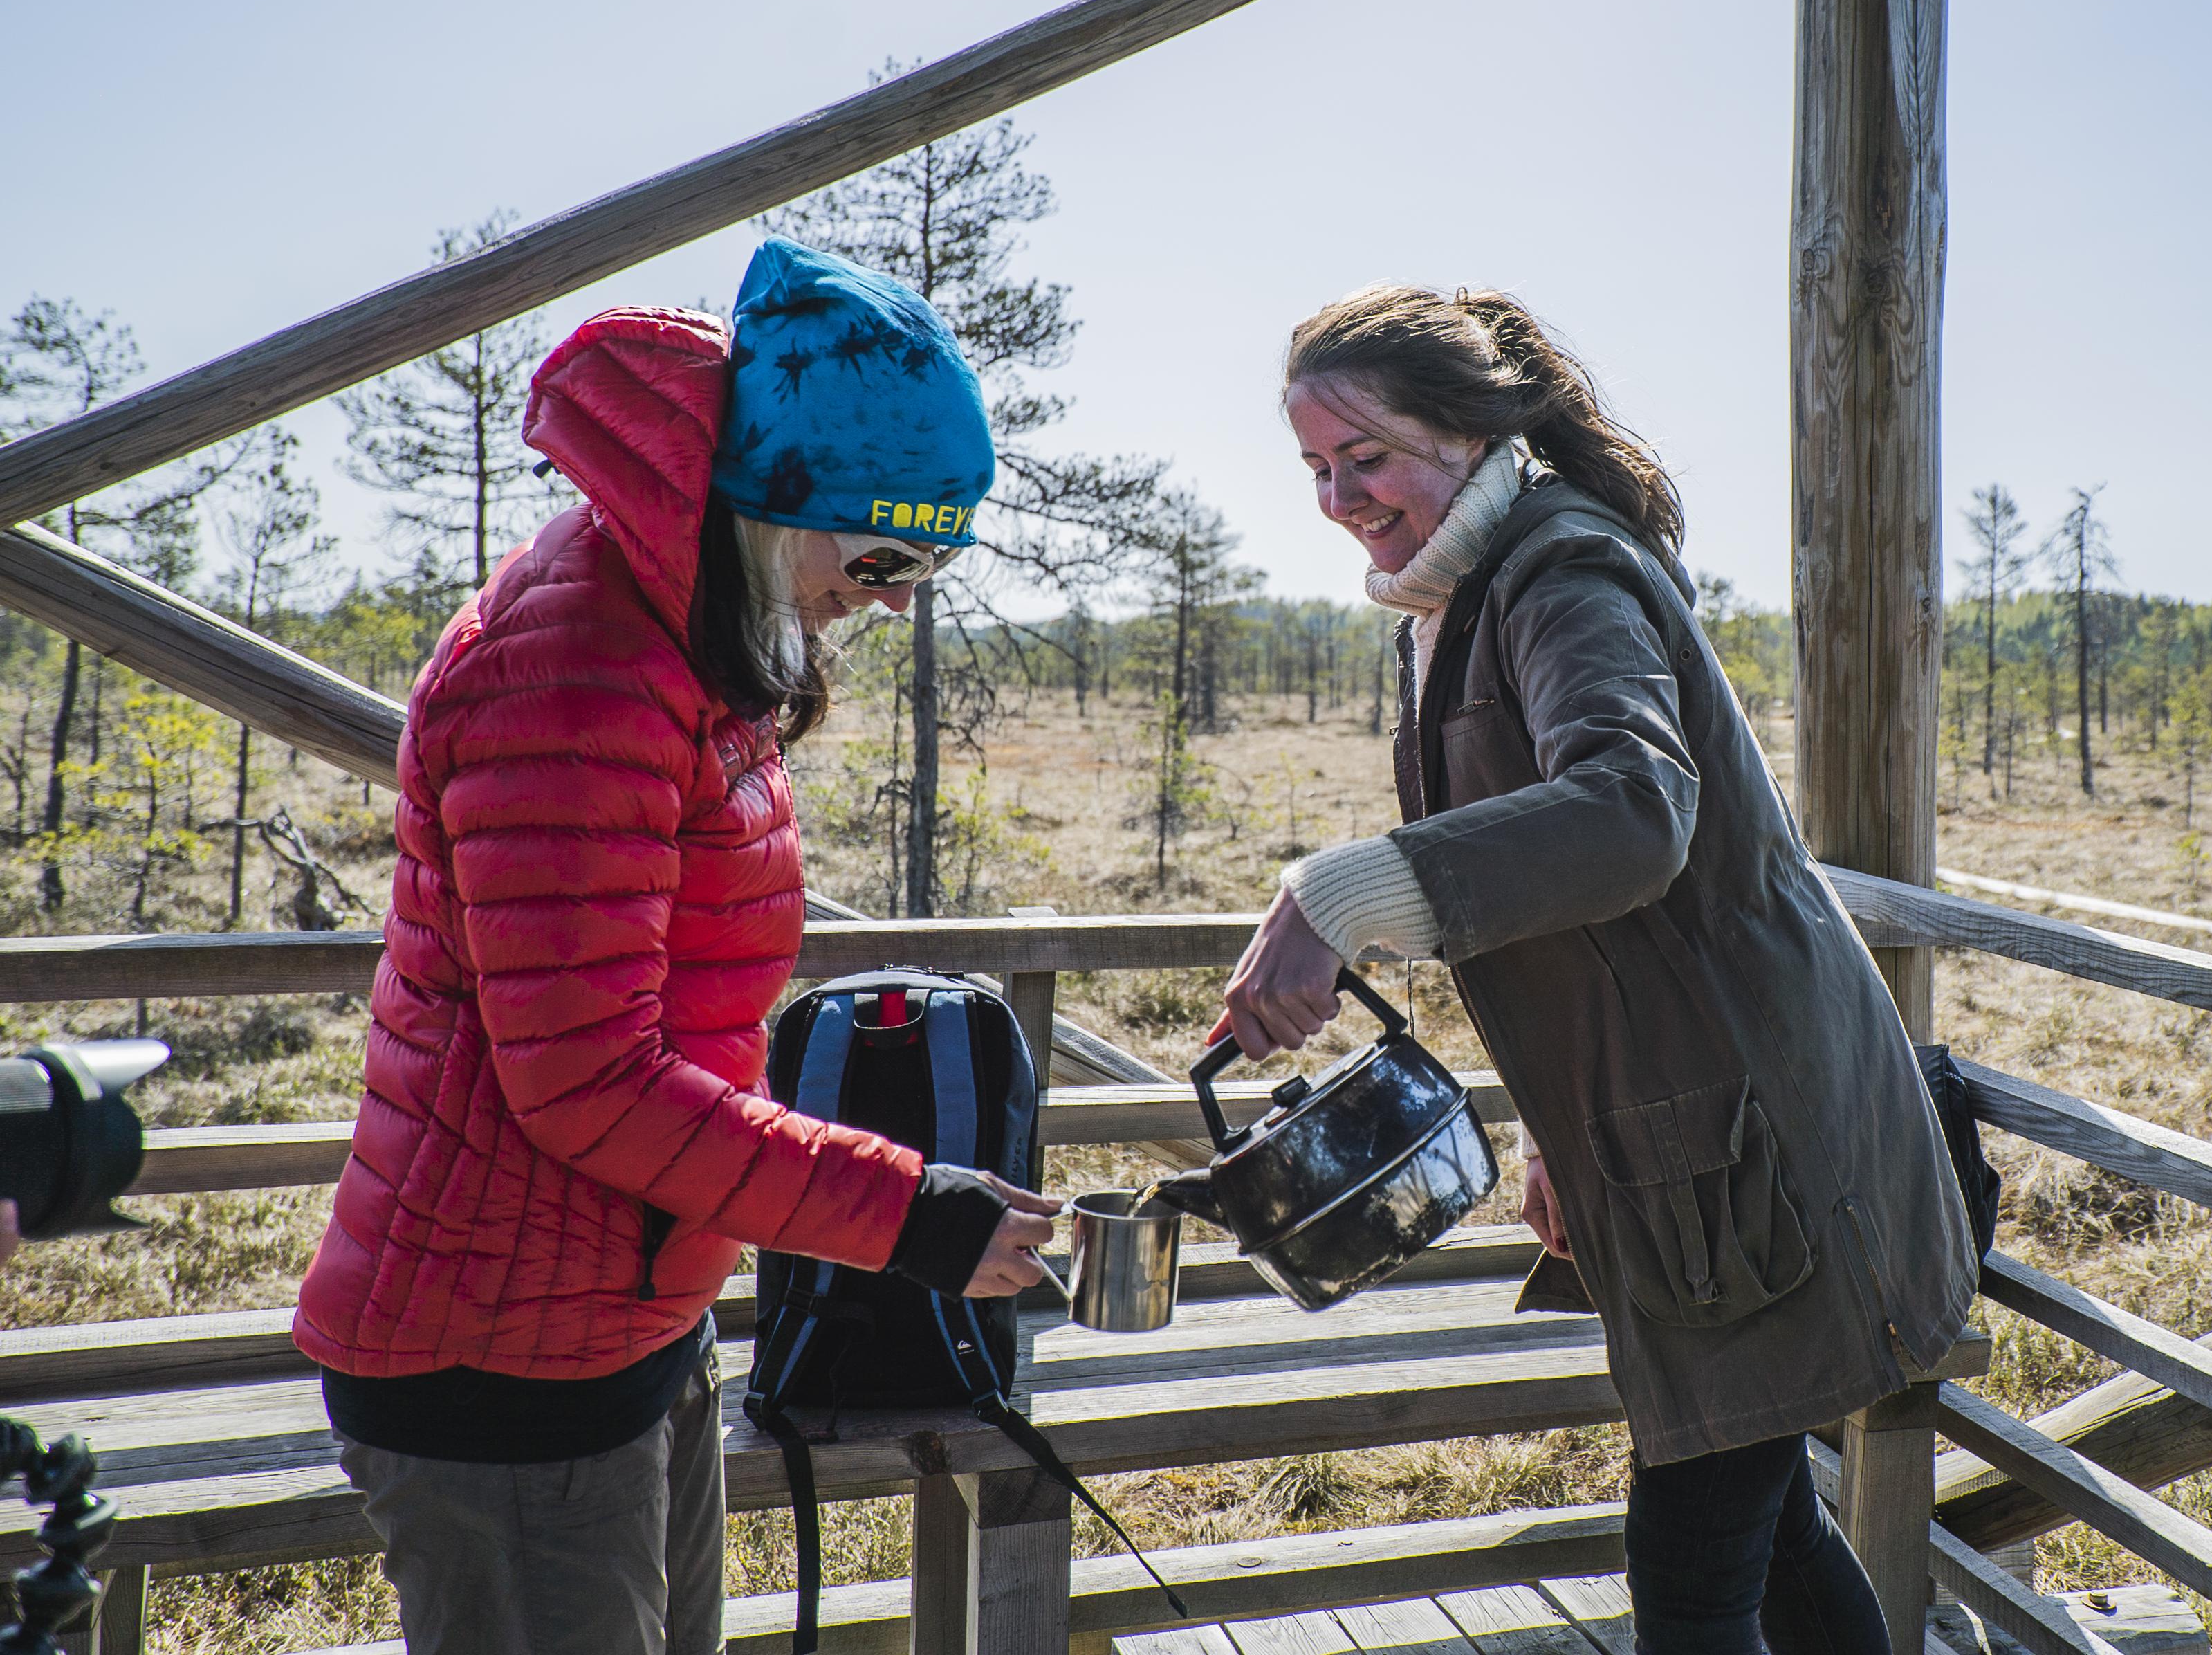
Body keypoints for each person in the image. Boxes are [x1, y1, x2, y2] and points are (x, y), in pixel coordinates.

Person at [293, 239, 1060, 1655]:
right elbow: (587, 1081)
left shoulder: (686, 637)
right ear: (775, 508)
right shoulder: (581, 667)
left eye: (928, 571)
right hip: (503, 1358)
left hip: (620, 1315)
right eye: (884, 554)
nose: (893, 599)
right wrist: (907, 1212)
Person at [1222, 285, 1980, 1655]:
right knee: (1777, 1540)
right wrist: (1565, 1131)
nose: (1337, 495)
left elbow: (1633, 811)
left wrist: (1333, 896)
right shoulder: (1469, 592)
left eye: (1365, 456)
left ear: (1465, 429)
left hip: (1767, 1151)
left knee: (1691, 1579)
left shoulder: (1558, 568)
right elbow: (1577, 921)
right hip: (1695, 1148)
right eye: (1316, 468)